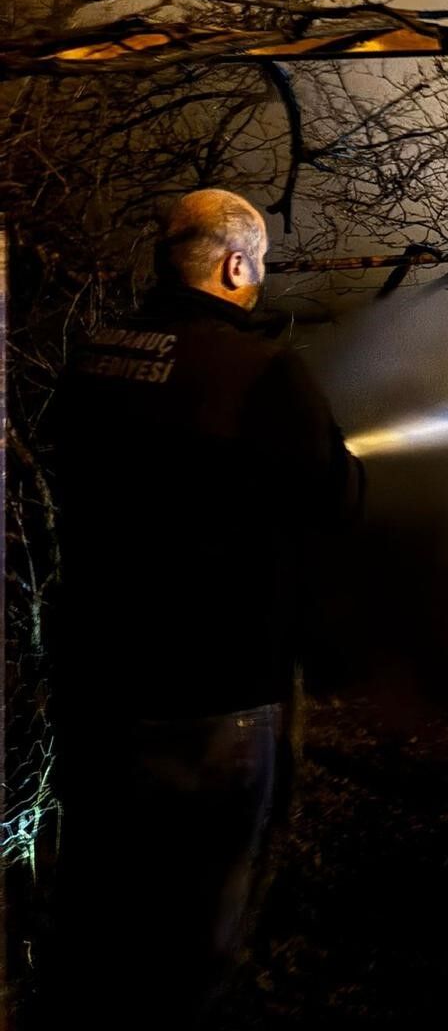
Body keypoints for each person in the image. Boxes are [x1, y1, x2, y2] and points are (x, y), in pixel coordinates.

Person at [47, 188, 364, 1027]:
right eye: (259, 265)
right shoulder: (262, 371)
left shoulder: (92, 356)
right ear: (234, 265)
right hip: (215, 698)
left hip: (97, 687)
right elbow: (337, 498)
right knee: (196, 942)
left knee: (103, 914)